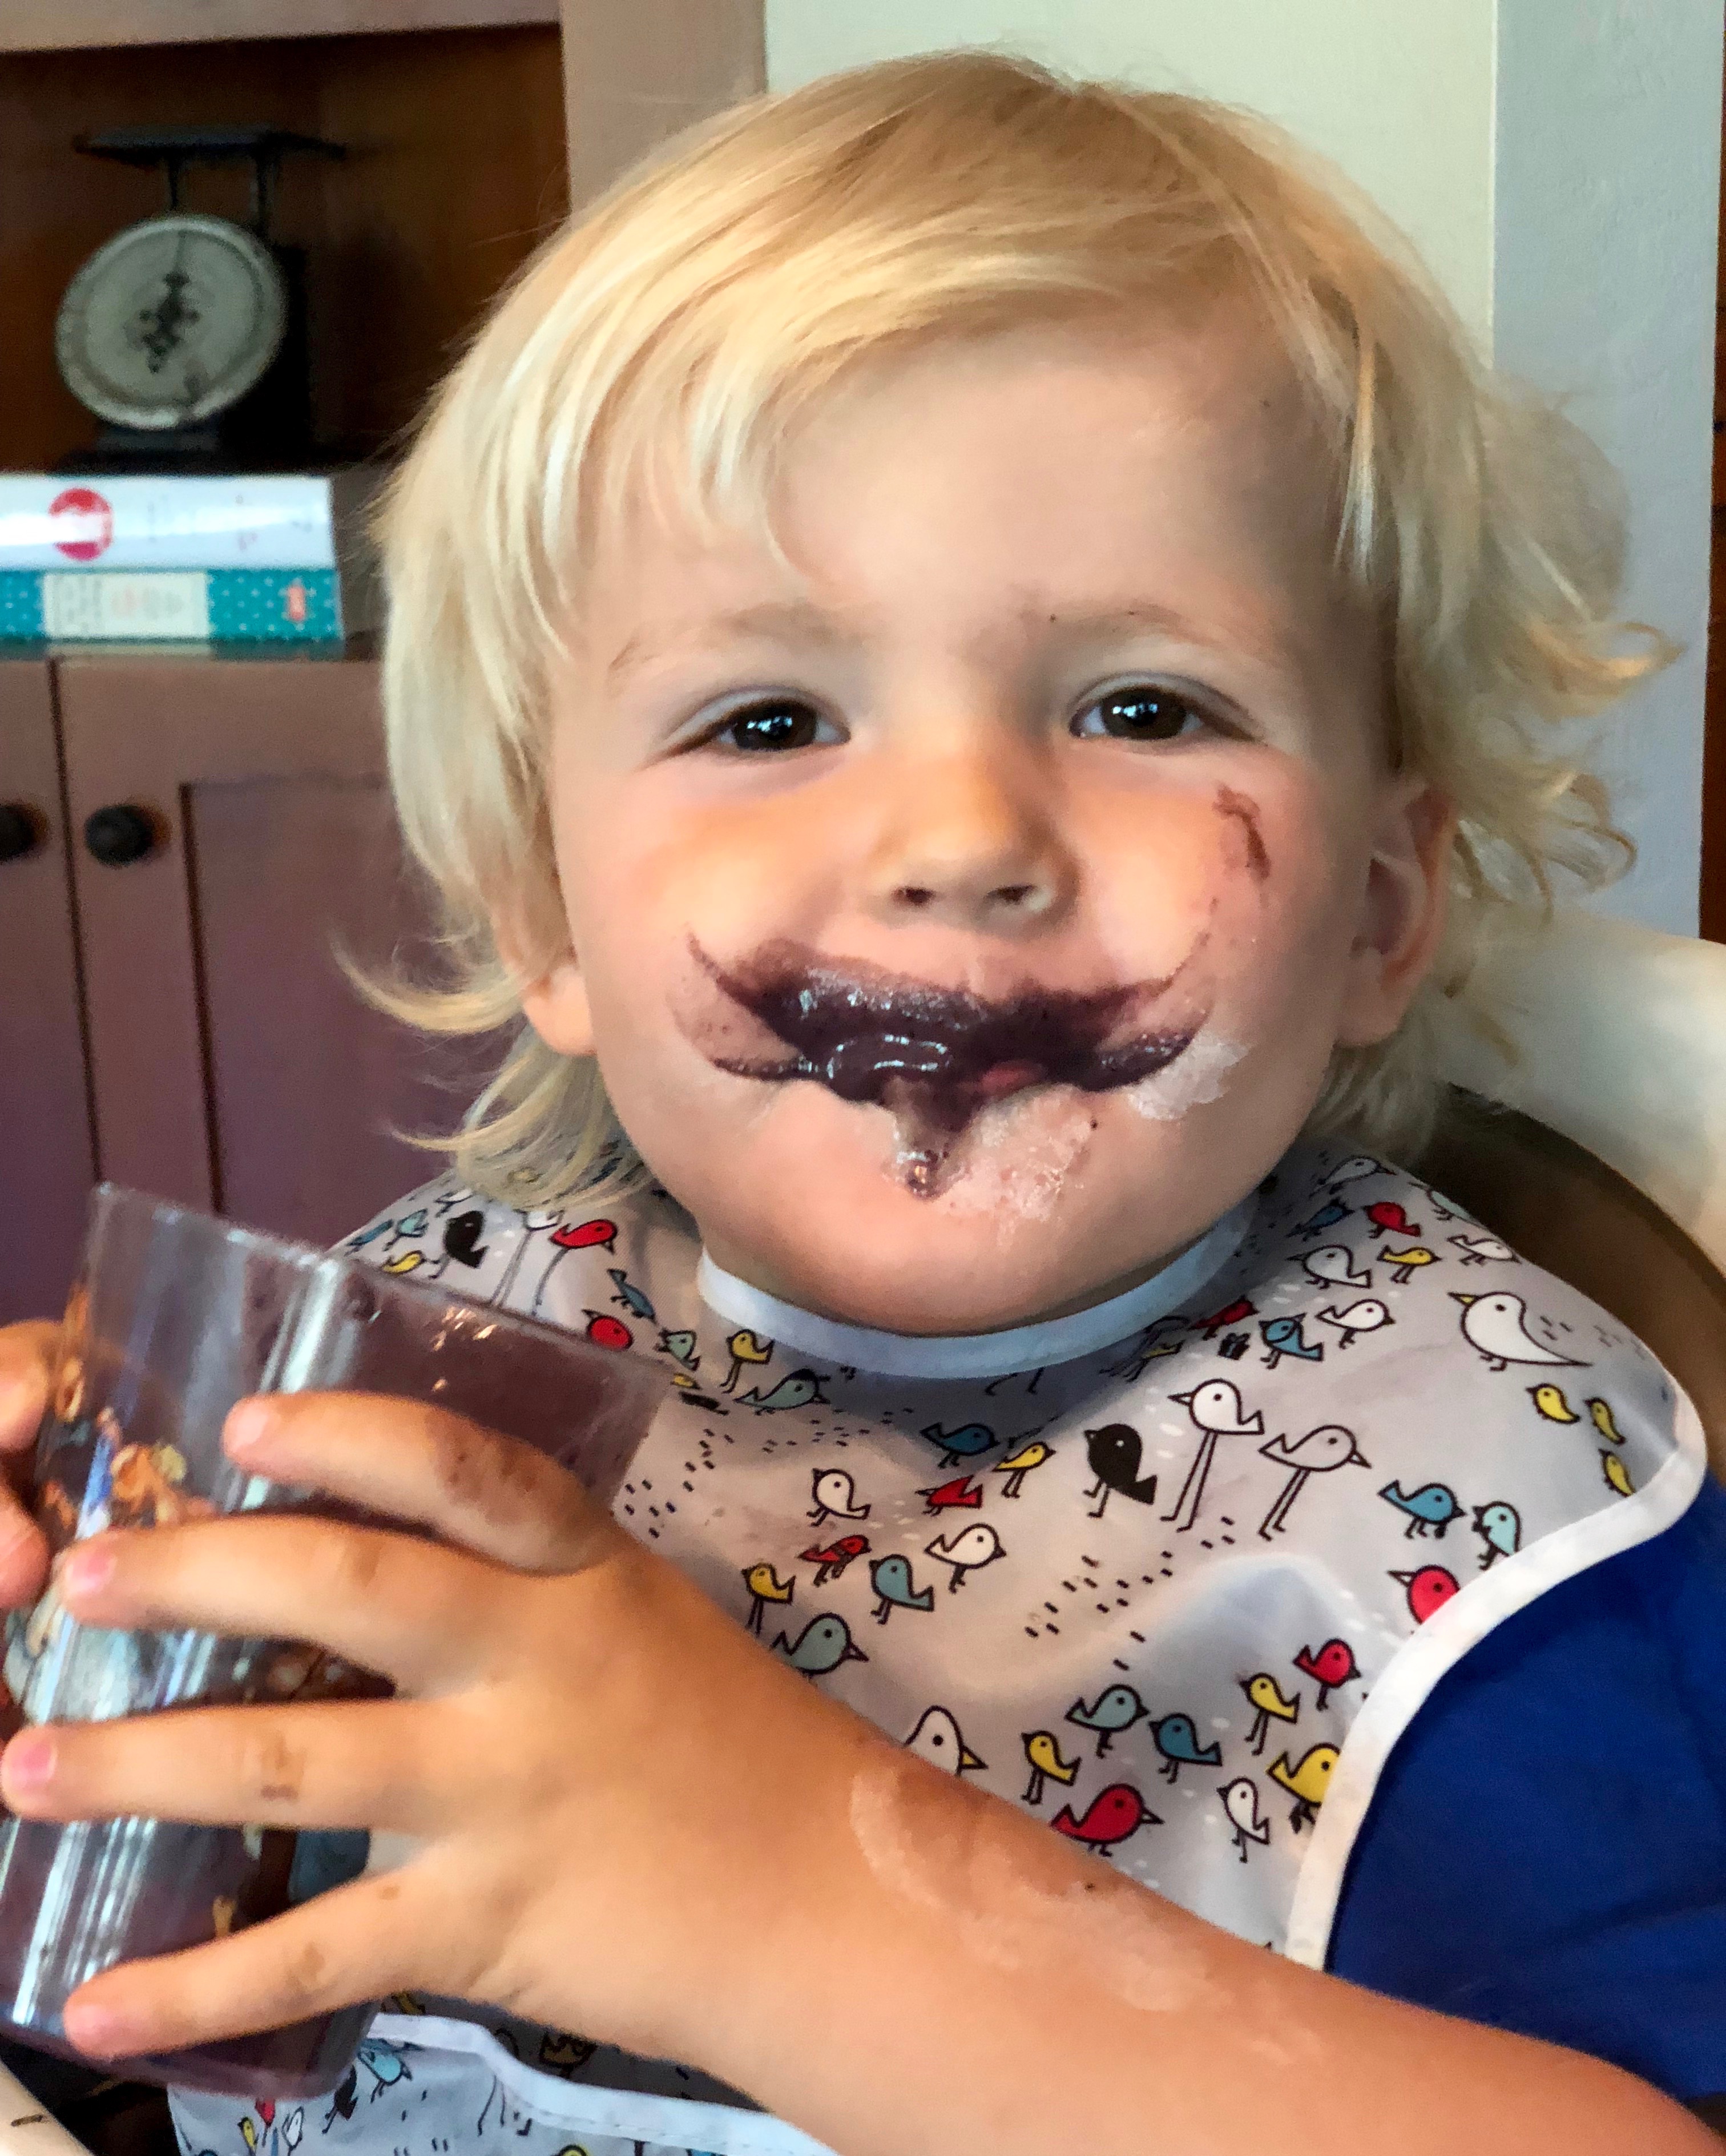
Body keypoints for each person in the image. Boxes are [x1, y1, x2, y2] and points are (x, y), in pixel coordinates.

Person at [0, 49, 1720, 2156]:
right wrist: (72, 1709)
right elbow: (142, 2034)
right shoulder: (422, 1365)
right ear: (542, 906)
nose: (960, 836)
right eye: (768, 716)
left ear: (1377, 906)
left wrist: (785, 1894)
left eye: (1142, 704)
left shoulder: (1494, 1518)